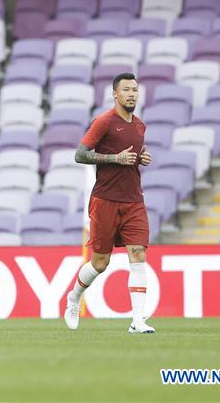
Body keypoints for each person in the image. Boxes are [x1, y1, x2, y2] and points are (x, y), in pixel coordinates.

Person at [64, 72, 155, 334]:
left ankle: (137, 320)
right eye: (126, 90)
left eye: (134, 90)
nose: (131, 94)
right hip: (105, 201)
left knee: (138, 253)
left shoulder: (140, 126)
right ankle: (74, 298)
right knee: (100, 263)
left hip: (134, 200)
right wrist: (115, 159)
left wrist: (141, 158)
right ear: (115, 94)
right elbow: (80, 154)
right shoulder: (104, 122)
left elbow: (131, 155)